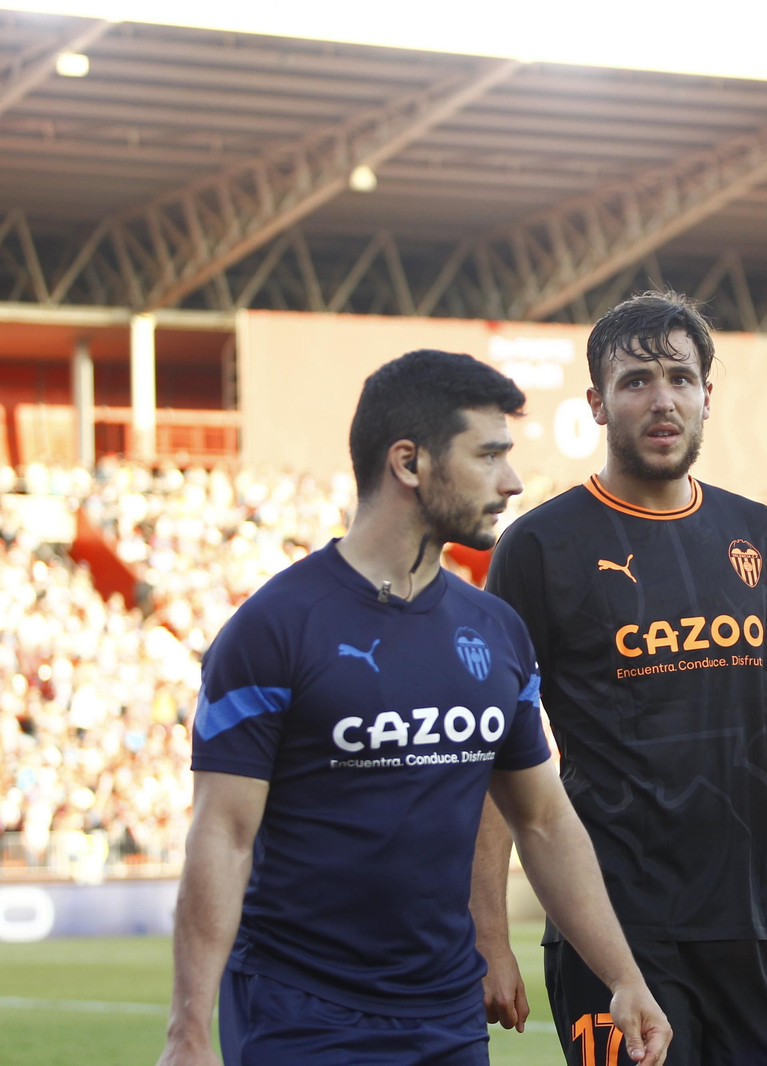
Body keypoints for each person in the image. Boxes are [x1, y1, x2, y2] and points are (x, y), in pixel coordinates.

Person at [156, 351, 671, 1066]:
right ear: (409, 463)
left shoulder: (497, 633)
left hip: (448, 1018)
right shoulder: (272, 631)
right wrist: (188, 1034)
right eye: (488, 455)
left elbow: (543, 820)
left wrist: (624, 978)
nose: (512, 481)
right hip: (300, 1016)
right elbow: (223, 837)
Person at [472, 293, 767, 1066]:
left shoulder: (758, 534)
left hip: (747, 920)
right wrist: (488, 932)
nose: (663, 400)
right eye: (636, 381)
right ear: (595, 402)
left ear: (707, 397)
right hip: (610, 927)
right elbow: (498, 752)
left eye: (681, 378)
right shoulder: (539, 549)